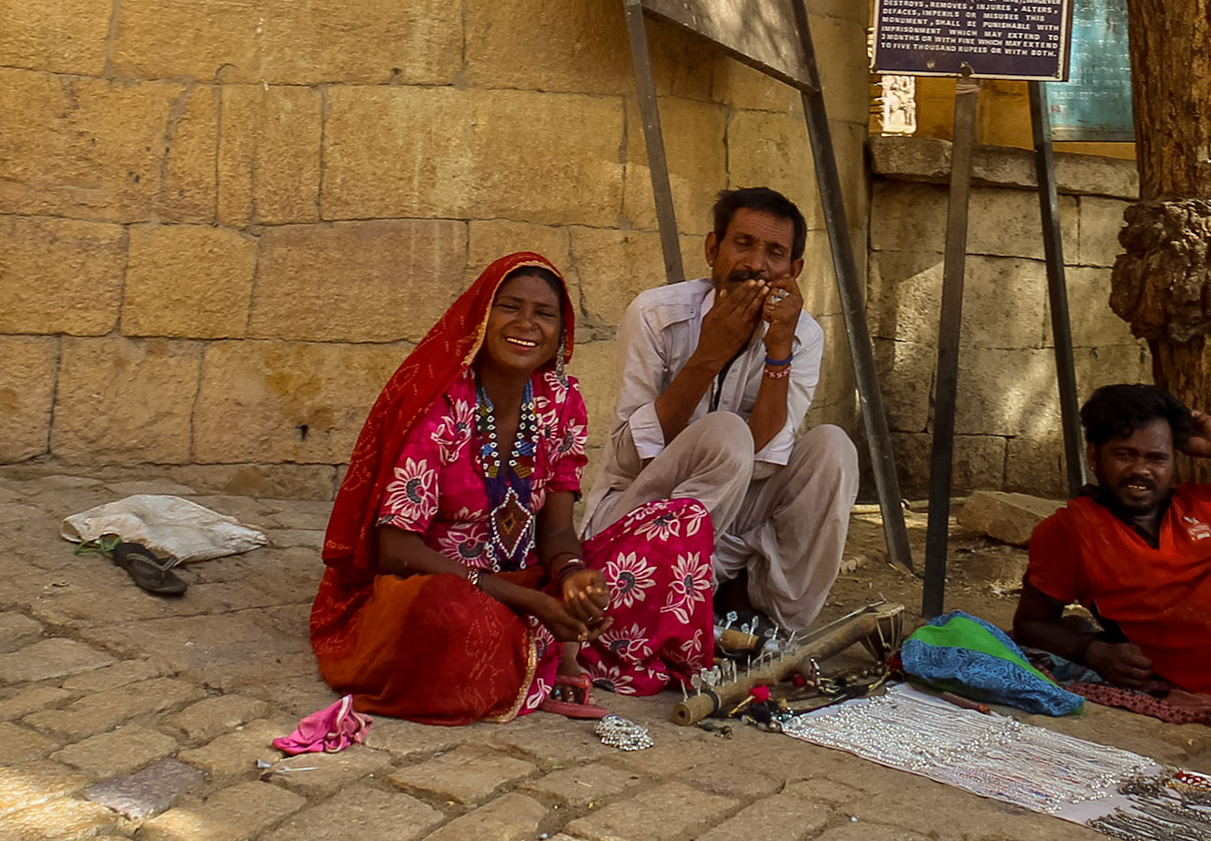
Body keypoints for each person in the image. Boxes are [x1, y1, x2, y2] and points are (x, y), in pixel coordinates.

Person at [309, 254, 718, 722]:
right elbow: (394, 549)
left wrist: (572, 577)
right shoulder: (441, 405)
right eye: (510, 307)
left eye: (544, 313)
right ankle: (550, 650)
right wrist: (532, 603)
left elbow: (557, 532)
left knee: (684, 521)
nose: (526, 324)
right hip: (447, 585)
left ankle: (544, 642)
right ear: (482, 318)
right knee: (447, 617)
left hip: (530, 580)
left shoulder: (561, 402)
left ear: (560, 332)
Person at [585, 187, 858, 633]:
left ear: (794, 270)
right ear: (713, 249)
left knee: (834, 449)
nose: (756, 265)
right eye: (742, 244)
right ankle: (671, 603)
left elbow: (765, 459)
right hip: (641, 518)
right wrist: (709, 354)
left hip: (731, 518)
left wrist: (779, 352)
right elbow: (632, 458)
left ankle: (764, 618)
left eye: (775, 253)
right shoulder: (656, 315)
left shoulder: (803, 335)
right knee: (726, 433)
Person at [1012, 384, 1211, 704]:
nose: (1141, 470)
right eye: (1125, 455)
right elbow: (1030, 623)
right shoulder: (1071, 529)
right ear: (1094, 456)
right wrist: (1091, 650)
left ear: (1173, 463)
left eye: (1157, 458)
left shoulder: (1202, 503)